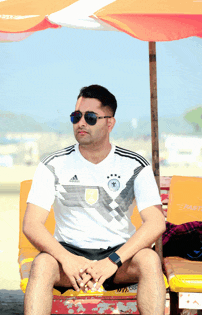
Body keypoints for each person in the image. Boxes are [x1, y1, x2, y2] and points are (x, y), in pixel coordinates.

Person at [23, 84, 166, 315]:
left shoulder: (134, 165)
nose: (81, 123)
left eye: (90, 117)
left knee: (149, 260)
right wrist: (67, 259)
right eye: (75, 116)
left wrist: (112, 261)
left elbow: (156, 222)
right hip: (67, 255)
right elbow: (31, 224)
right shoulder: (53, 164)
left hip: (119, 258)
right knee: (41, 264)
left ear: (110, 123)